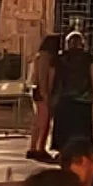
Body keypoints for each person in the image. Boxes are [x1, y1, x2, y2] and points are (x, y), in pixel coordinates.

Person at [51, 30, 93, 150]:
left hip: (64, 96)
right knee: (81, 126)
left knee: (65, 125)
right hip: (83, 96)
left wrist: (52, 93)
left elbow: (53, 76)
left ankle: (63, 148)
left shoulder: (60, 58)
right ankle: (81, 148)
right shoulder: (88, 58)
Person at [28, 32, 61, 161]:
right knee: (44, 121)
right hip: (43, 91)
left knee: (38, 120)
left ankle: (33, 147)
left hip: (37, 90)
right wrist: (45, 93)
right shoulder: (46, 57)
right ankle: (40, 148)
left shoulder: (39, 56)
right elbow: (43, 76)